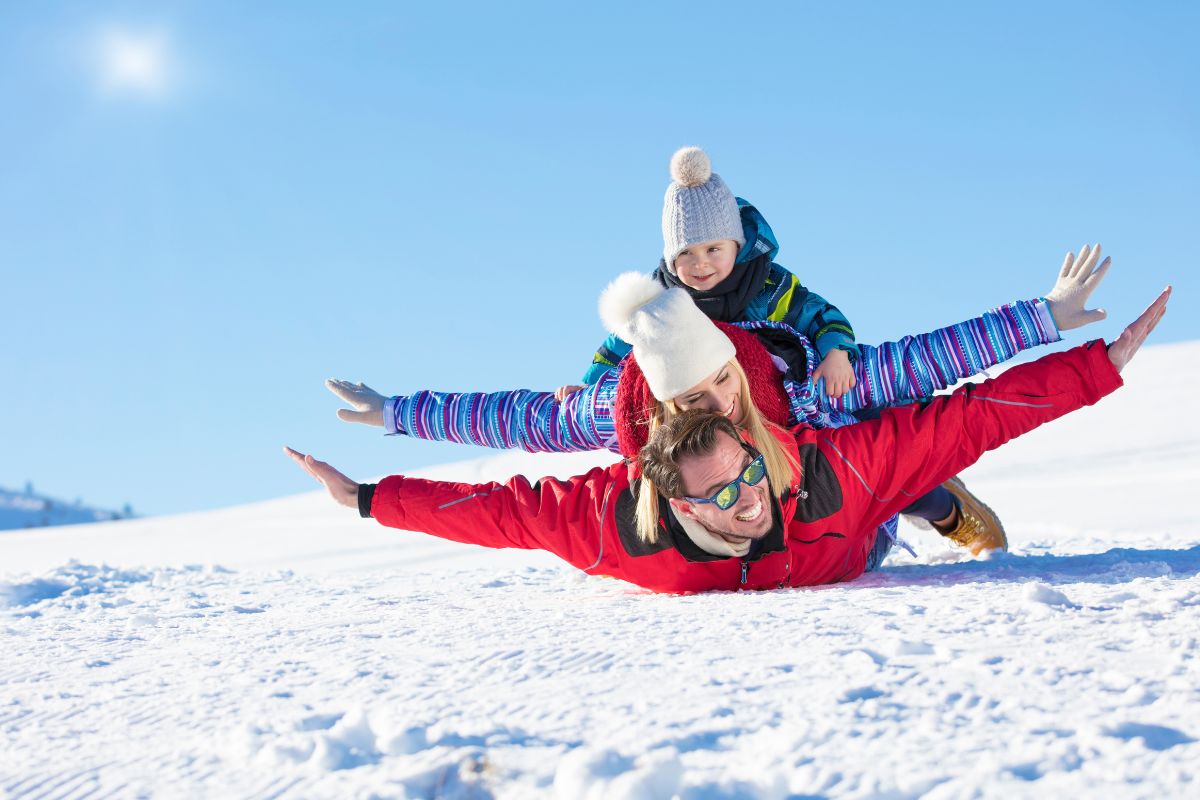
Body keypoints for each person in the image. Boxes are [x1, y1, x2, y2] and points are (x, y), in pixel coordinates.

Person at [286, 288, 1170, 594]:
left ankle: (943, 505)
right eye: (710, 496)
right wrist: (373, 481)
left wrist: (1086, 357)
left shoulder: (800, 413)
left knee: (898, 450)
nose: (739, 503)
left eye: (721, 387)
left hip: (859, 514)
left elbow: (963, 401)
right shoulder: (620, 514)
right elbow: (504, 494)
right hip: (788, 493)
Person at [327, 246, 1113, 554]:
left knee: (883, 456)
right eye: (692, 396)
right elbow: (510, 418)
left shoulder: (801, 380)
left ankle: (936, 503)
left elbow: (929, 361)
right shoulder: (617, 413)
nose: (716, 403)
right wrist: (396, 413)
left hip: (837, 482)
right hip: (747, 515)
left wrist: (1044, 317)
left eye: (721, 381)